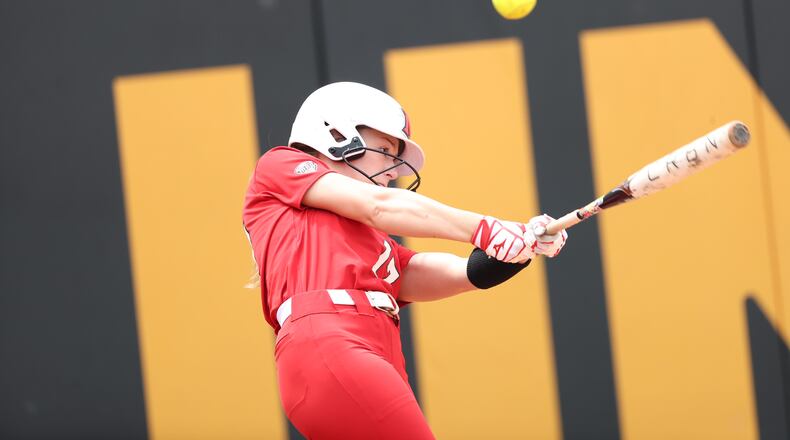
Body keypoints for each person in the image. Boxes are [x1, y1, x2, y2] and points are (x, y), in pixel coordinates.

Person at [242, 82, 568, 440]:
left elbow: (428, 273)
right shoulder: (281, 164)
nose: (394, 170)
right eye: (384, 150)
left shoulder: (368, 238)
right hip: (329, 341)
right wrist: (486, 228)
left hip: (370, 349)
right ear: (334, 132)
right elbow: (378, 206)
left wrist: (516, 249)